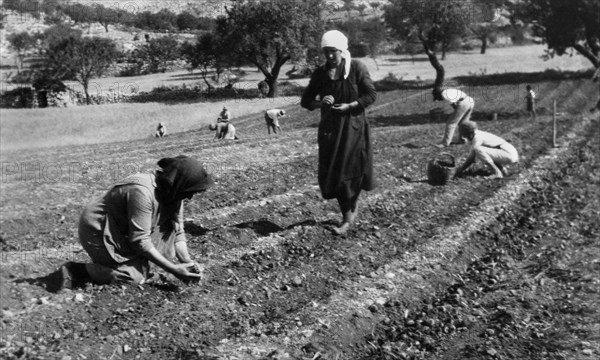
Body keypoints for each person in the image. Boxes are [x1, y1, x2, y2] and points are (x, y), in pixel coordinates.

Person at [53, 156, 212, 290]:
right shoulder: (142, 192)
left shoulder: (175, 193)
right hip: (100, 229)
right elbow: (140, 241)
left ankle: (136, 265)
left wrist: (188, 263)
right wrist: (173, 269)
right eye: (190, 192)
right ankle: (77, 270)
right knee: (132, 278)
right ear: (179, 183)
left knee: (160, 255)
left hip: (124, 229)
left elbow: (177, 231)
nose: (189, 198)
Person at [301, 30, 377, 235]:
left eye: (333, 51)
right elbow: (305, 100)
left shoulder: (357, 68)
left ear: (342, 50)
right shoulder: (320, 73)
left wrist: (350, 106)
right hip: (330, 131)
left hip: (354, 128)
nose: (329, 56)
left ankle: (347, 216)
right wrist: (319, 103)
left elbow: (370, 95)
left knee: (351, 171)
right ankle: (349, 211)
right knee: (335, 175)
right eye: (326, 52)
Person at [453, 121, 519, 179]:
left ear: (467, 133)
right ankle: (502, 170)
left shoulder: (477, 138)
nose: (463, 136)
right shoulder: (477, 133)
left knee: (478, 150)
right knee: (485, 152)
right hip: (509, 152)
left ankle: (497, 173)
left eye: (463, 134)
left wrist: (460, 170)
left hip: (508, 154)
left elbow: (471, 158)